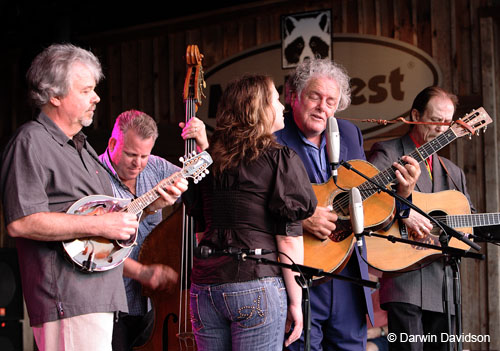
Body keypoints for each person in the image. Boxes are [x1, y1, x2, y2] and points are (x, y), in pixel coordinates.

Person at [0, 43, 140, 351]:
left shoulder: (83, 147)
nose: (96, 98)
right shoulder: (31, 142)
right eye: (86, 90)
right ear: (55, 95)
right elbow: (22, 222)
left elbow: (106, 216)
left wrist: (152, 203)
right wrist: (101, 227)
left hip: (98, 296)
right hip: (67, 298)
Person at [275, 58, 420, 351]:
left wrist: (403, 193)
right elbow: (253, 201)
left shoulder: (349, 133)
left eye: (331, 101)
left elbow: (366, 199)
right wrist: (302, 218)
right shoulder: (273, 137)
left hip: (348, 273)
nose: (322, 107)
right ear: (294, 97)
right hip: (299, 272)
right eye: (315, 97)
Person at [182, 74, 317, 350]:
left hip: (205, 287)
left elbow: (199, 229)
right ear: (259, 108)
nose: (282, 107)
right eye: (276, 100)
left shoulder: (205, 159)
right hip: (255, 283)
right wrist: (296, 301)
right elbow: (288, 239)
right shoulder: (280, 158)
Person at [368, 86, 473, 351]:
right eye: (435, 120)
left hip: (444, 288)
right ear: (415, 115)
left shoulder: (453, 172)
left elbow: (467, 219)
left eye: (447, 123)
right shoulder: (388, 152)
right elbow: (365, 200)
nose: (442, 129)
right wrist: (404, 211)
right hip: (405, 283)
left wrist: (470, 234)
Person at [99, 109, 205, 349]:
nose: (138, 164)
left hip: (153, 307)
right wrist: (142, 272)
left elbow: (201, 182)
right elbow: (93, 248)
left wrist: (203, 146)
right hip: (111, 306)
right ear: (113, 142)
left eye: (144, 155)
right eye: (130, 154)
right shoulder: (92, 176)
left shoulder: (155, 167)